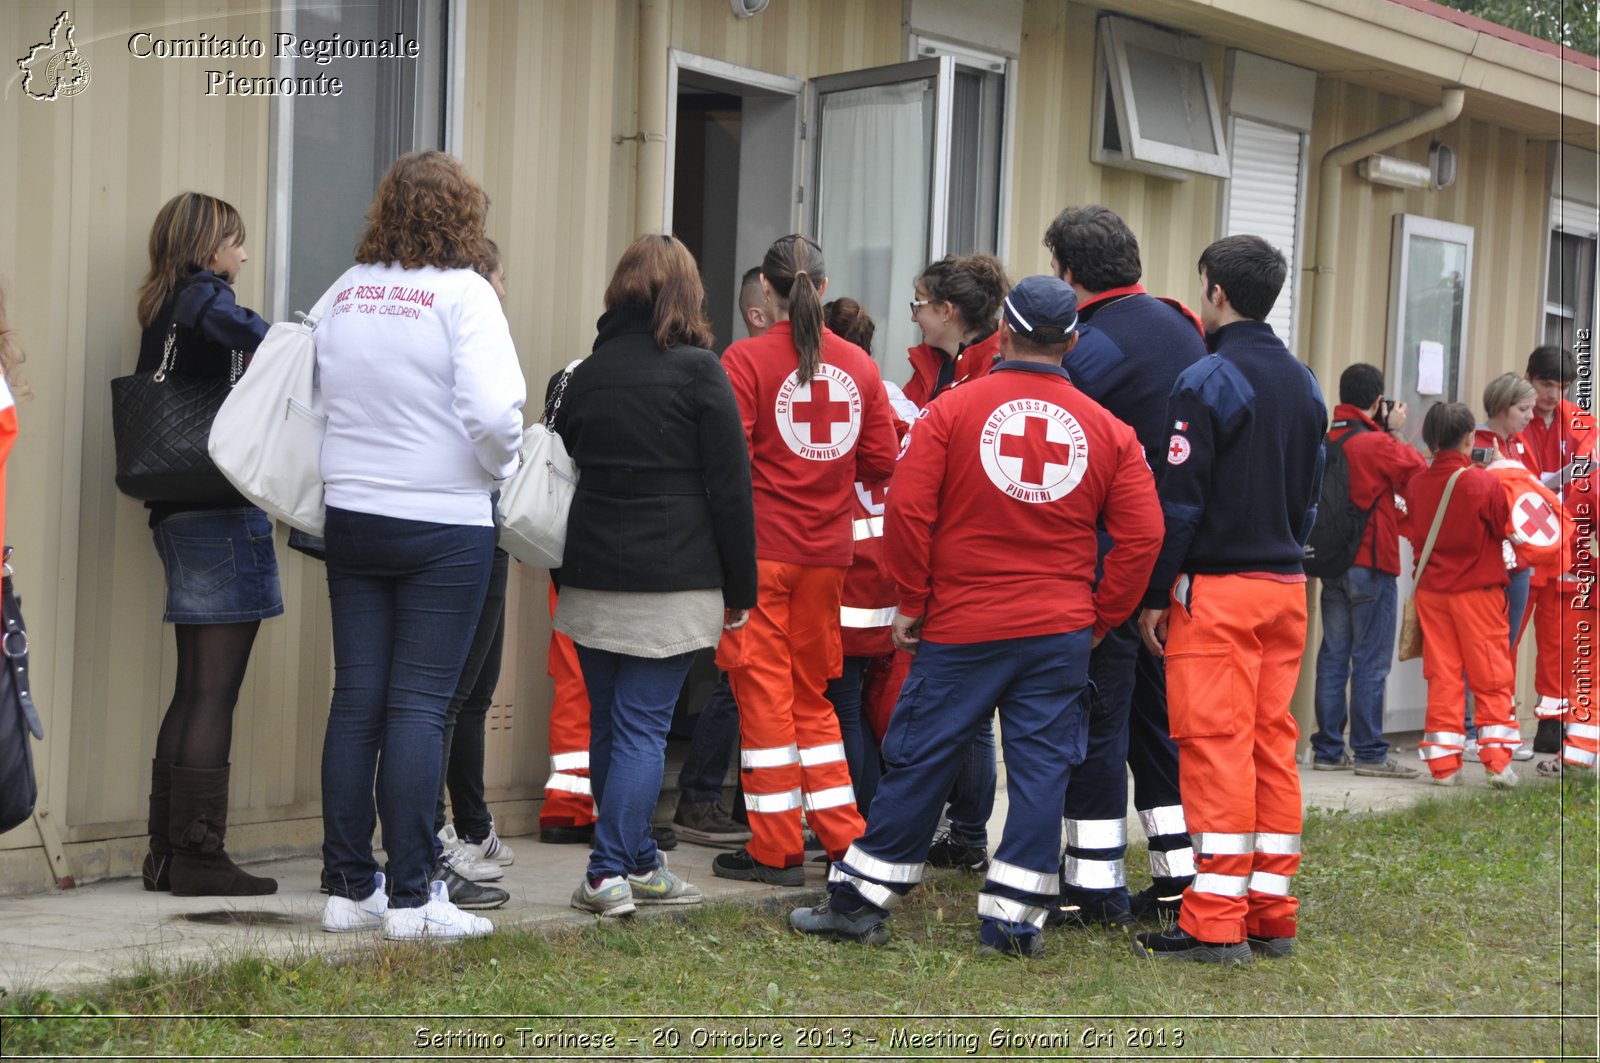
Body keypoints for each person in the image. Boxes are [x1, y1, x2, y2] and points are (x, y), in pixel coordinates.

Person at [789, 275, 1163, 954]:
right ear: (1072, 342)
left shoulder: (951, 412)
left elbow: (907, 509)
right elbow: (1142, 536)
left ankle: (860, 902)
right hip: (1059, 632)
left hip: (961, 625)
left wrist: (914, 600)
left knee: (922, 758)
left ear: (1008, 334)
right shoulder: (1110, 430)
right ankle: (1015, 922)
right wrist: (1099, 616)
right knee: (1044, 770)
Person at [316, 151, 524, 942]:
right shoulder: (466, 295)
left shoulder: (346, 288)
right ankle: (411, 896)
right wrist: (494, 469)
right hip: (442, 521)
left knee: (357, 697)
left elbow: (314, 394)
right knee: (419, 705)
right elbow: (497, 415)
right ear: (465, 215)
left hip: (353, 516)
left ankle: (346, 886)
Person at [1134, 235, 1326, 965]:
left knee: (1215, 750)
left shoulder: (1205, 379)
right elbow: (1308, 499)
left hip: (1219, 594)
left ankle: (1213, 920)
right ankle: (1270, 910)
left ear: (1214, 291)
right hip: (1284, 588)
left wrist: (1155, 591)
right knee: (1271, 746)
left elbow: (1179, 504)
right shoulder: (1306, 382)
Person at [554, 233, 758, 917]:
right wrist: (741, 590)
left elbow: (571, 460)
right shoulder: (701, 371)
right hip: (672, 579)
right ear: (686, 294)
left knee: (611, 726)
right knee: (643, 728)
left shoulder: (588, 371)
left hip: (588, 575)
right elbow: (731, 489)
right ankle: (609, 868)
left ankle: (639, 860)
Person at [713, 234, 898, 886]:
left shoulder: (744, 359)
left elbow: (726, 465)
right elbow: (880, 460)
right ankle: (846, 839)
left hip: (764, 555)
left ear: (766, 288)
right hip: (828, 557)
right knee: (813, 696)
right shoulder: (862, 367)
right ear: (821, 286)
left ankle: (774, 845)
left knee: (762, 694)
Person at [1046, 204, 1205, 926]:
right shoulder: (1182, 326)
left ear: (1067, 272)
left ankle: (1091, 883)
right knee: (1155, 726)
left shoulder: (1091, 349)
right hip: (1170, 564)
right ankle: (1176, 874)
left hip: (1108, 567)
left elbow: (1055, 442)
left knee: (1098, 727)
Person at [133, 192, 281, 898]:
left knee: (193, 688)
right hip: (218, 513)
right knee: (213, 692)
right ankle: (198, 854)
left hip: (176, 511)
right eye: (237, 242)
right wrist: (293, 341)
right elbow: (260, 337)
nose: (244, 256)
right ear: (206, 245)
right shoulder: (201, 295)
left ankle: (166, 852)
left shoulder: (165, 302)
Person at [902, 253, 1012, 874]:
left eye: (919, 305)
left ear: (948, 311)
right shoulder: (937, 371)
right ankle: (963, 830)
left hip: (972, 567)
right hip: (947, 561)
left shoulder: (984, 373)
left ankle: (967, 832)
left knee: (972, 714)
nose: (914, 318)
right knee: (969, 715)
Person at [670, 266, 773, 849]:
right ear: (758, 314)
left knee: (750, 682)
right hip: (750, 545)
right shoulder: (739, 365)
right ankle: (701, 795)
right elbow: (730, 469)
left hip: (771, 547)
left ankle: (732, 801)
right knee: (736, 679)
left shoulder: (769, 363)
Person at [428, 241, 515, 912]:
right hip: (459, 517)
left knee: (473, 690)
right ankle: (433, 834)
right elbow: (493, 423)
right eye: (499, 277)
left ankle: (471, 824)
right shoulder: (462, 319)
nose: (505, 290)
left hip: (480, 520)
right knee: (446, 695)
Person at [820, 297, 913, 817]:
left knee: (841, 709)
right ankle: (868, 819)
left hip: (842, 575)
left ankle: (850, 822)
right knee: (857, 709)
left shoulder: (833, 394)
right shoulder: (897, 402)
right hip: (885, 577)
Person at [1309, 364, 1426, 778]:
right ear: (1377, 402)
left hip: (1332, 563)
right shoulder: (1376, 443)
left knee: (1333, 656)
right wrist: (1392, 429)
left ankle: (1326, 749)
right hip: (1371, 563)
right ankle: (1370, 754)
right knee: (1371, 661)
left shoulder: (1328, 438)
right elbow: (1418, 471)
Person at [1401, 402, 1520, 789]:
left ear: (1430, 439)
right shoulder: (1483, 483)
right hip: (1477, 593)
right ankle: (1498, 762)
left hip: (1432, 594)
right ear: (1471, 437)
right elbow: (1507, 528)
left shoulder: (1416, 482)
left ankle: (1443, 766)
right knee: (1491, 676)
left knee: (1443, 677)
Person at [1519, 345, 1598, 767]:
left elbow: (1592, 472)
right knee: (1504, 638)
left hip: (1566, 547)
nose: (1553, 394)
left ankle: (1551, 728)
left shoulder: (1581, 420)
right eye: (1547, 384)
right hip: (1522, 545)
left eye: (1562, 386)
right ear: (1530, 377)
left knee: (1558, 643)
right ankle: (1487, 726)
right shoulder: (1514, 412)